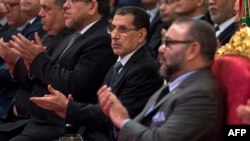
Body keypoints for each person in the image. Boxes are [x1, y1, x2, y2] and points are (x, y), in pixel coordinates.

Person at [30, 6, 164, 141]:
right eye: (112, 28)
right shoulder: (119, 62)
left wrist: (69, 108)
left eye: (123, 29)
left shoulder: (144, 70)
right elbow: (100, 107)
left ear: (141, 35)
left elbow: (113, 116)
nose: (114, 36)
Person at [0, 0, 116, 140]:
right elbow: (45, 76)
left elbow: (73, 85)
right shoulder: (76, 35)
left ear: (92, 6)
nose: (66, 5)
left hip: (61, 128)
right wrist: (17, 63)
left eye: (72, 0)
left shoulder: (102, 39)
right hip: (36, 123)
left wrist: (37, 59)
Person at [97, 17, 225, 141]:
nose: (161, 49)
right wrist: (120, 118)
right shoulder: (173, 84)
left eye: (168, 43)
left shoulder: (201, 96)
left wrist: (123, 121)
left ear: (193, 50)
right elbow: (142, 128)